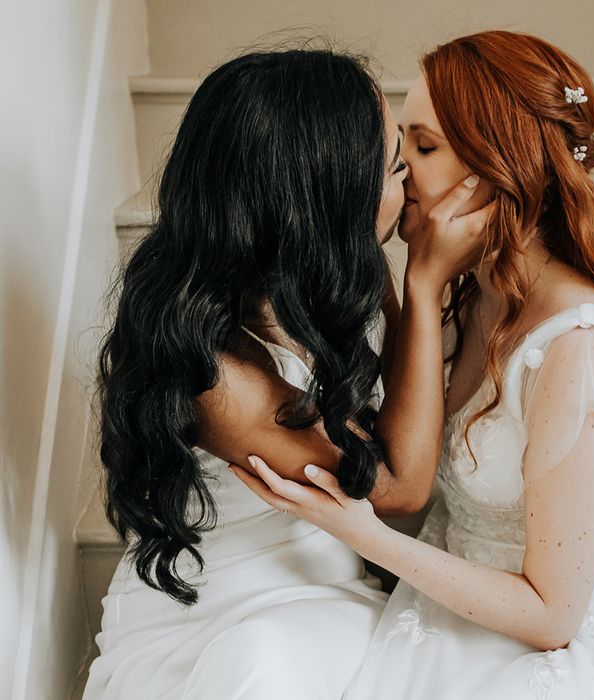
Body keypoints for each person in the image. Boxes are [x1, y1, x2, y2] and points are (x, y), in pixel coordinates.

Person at [235, 31, 594, 699]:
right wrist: (419, 283)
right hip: (460, 596)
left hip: (557, 634)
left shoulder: (576, 347)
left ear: (498, 166)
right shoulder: (473, 295)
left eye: (424, 147)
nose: (395, 171)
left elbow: (554, 616)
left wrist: (361, 533)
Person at [85, 47, 486, 699]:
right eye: (392, 165)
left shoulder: (341, 272)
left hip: (324, 572)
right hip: (226, 605)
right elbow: (399, 487)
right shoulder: (214, 372)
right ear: (325, 200)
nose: (411, 175)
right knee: (267, 667)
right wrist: (427, 279)